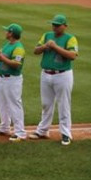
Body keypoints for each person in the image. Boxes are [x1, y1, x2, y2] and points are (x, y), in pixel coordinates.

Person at [32, 14, 79, 145]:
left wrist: (55, 47)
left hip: (63, 75)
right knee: (46, 104)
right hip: (46, 74)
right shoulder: (47, 35)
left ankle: (65, 133)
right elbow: (35, 50)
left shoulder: (70, 38)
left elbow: (72, 55)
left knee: (63, 104)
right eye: (53, 24)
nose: (55, 27)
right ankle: (42, 130)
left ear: (65, 26)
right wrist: (44, 47)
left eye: (57, 25)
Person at [0, 24, 27, 140]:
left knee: (14, 104)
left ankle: (20, 132)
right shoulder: (8, 45)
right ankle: (4, 127)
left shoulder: (18, 48)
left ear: (11, 33)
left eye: (7, 31)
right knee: (2, 103)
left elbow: (17, 64)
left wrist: (1, 57)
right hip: (2, 78)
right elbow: (1, 56)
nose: (6, 32)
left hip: (13, 79)